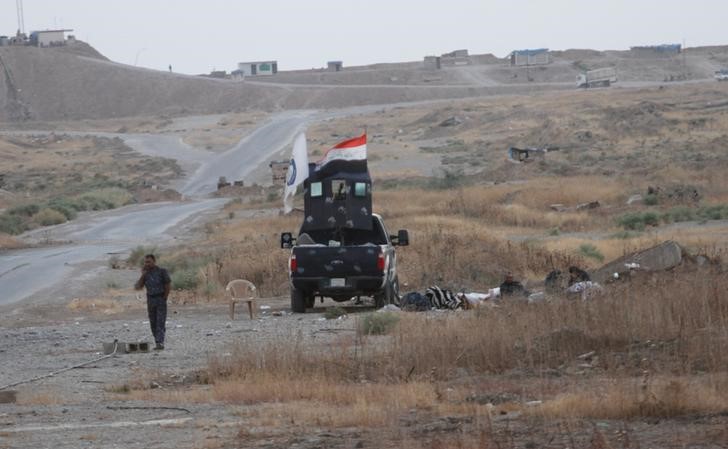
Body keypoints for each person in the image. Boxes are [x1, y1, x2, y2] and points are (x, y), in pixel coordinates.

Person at [134, 254, 171, 350]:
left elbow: (168, 285)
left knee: (160, 321)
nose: (147, 264)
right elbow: (138, 287)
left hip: (160, 298)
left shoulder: (162, 271)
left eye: (149, 262)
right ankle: (157, 341)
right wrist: (143, 274)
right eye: (145, 262)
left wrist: (164, 298)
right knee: (153, 322)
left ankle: (160, 342)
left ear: (154, 261)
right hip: (150, 300)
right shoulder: (146, 274)